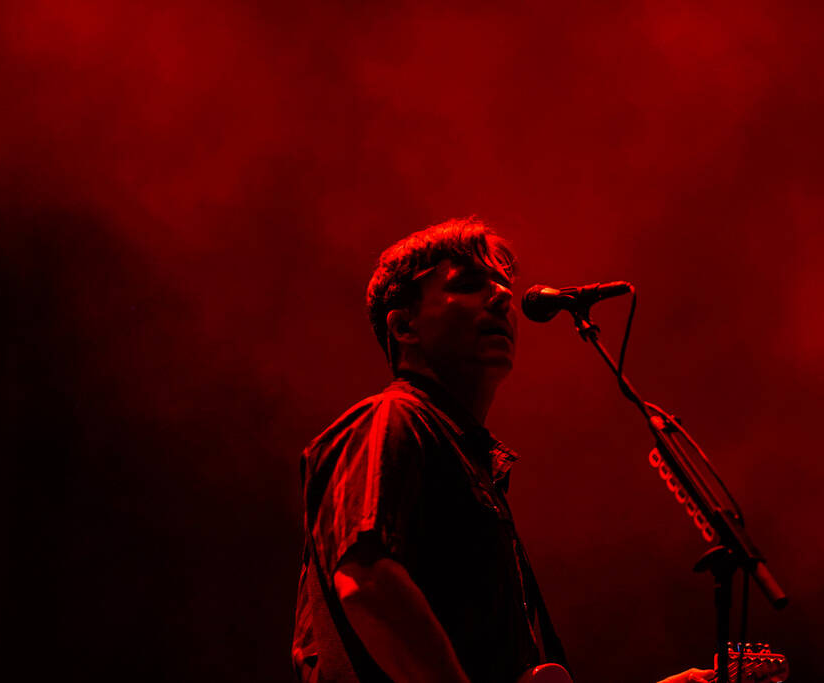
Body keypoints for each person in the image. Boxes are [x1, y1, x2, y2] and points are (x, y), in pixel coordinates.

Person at [292, 218, 716, 683]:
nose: (501, 297)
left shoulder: (471, 464)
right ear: (404, 325)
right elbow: (366, 580)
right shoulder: (391, 420)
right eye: (470, 285)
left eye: (503, 286)